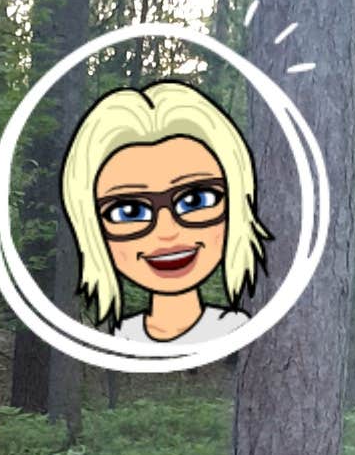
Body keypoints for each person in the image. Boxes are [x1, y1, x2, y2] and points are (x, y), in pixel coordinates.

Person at [59, 79, 271, 346]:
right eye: (129, 210)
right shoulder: (124, 334)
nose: (167, 231)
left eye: (195, 200)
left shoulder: (237, 331)